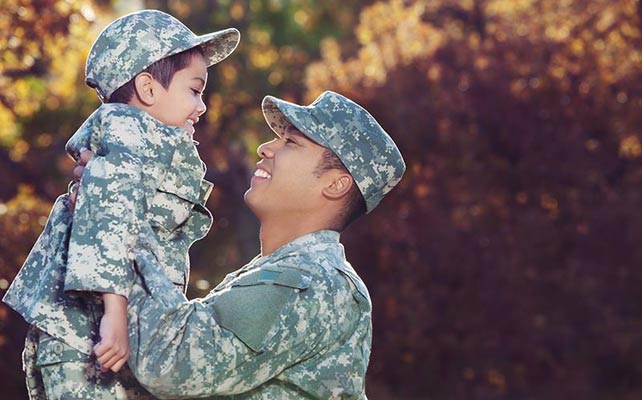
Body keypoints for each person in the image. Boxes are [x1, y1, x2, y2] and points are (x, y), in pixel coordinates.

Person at [75, 90, 406, 399]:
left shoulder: (309, 283)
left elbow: (170, 360)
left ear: (335, 184)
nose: (266, 148)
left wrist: (121, 207)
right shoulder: (284, 275)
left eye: (290, 142)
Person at [3, 9, 239, 399]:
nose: (202, 106)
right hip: (87, 338)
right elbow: (111, 212)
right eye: (194, 90)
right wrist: (115, 315)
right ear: (148, 89)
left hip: (95, 341)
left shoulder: (146, 141)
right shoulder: (129, 130)